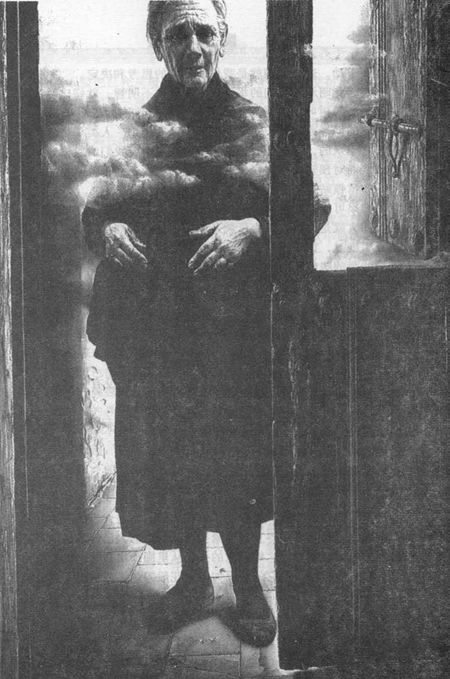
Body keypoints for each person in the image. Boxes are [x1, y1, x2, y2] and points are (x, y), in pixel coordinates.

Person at [83, 0, 273, 647]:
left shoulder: (251, 121)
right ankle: (194, 582)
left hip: (232, 332)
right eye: (177, 34)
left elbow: (310, 207)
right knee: (174, 454)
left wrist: (253, 228)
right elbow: (95, 210)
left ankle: (247, 586)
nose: (192, 46)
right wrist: (107, 227)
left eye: (203, 32)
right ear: (157, 45)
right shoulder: (138, 129)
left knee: (237, 456)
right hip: (159, 329)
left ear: (222, 39)